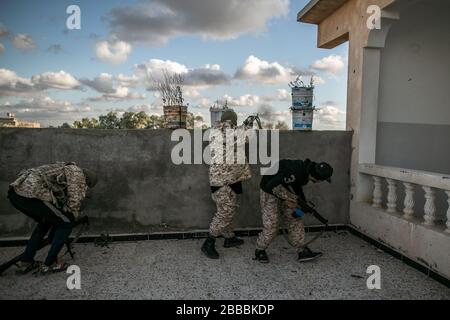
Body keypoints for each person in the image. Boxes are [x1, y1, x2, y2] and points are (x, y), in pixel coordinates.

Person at [7, 162, 97, 275]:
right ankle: (50, 264)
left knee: (46, 222)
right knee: (66, 223)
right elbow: (74, 200)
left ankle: (26, 262)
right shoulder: (77, 172)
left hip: (16, 194)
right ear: (86, 179)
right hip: (33, 194)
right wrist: (74, 214)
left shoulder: (64, 169)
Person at [254, 159, 333, 263]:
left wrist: (303, 203)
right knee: (272, 225)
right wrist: (286, 200)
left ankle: (302, 250)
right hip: (269, 190)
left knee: (294, 218)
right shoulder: (296, 171)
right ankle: (260, 249)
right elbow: (270, 186)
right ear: (317, 179)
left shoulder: (306, 172)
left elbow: (296, 185)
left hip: (284, 189)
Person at [201, 110, 256, 259]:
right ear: (232, 120)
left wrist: (246, 125)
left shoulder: (218, 130)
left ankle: (229, 238)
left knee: (228, 209)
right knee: (225, 212)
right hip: (223, 181)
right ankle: (209, 242)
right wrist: (248, 125)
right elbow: (245, 138)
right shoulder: (224, 131)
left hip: (229, 179)